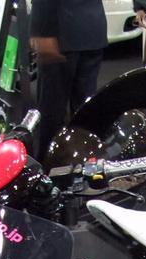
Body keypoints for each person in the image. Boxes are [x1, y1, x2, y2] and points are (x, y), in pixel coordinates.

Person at [30, 0, 108, 157]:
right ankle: (84, 163)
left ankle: (48, 163)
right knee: (84, 110)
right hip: (93, 28)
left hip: (59, 33)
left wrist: (41, 32)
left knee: (52, 109)